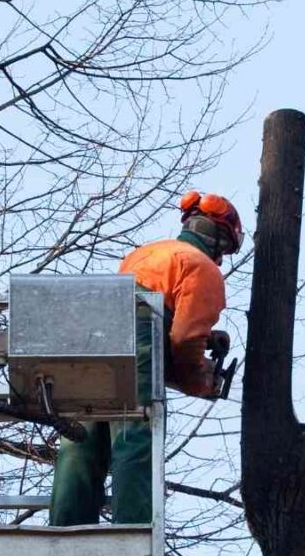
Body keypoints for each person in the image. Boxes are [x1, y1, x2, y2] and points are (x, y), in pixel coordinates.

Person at [48, 191, 242, 526]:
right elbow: (183, 339)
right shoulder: (203, 267)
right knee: (134, 431)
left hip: (89, 325)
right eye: (224, 250)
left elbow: (160, 317)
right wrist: (199, 381)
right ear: (218, 239)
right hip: (133, 325)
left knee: (82, 433)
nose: (222, 259)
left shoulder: (148, 252)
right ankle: (133, 529)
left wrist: (208, 339)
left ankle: (66, 529)